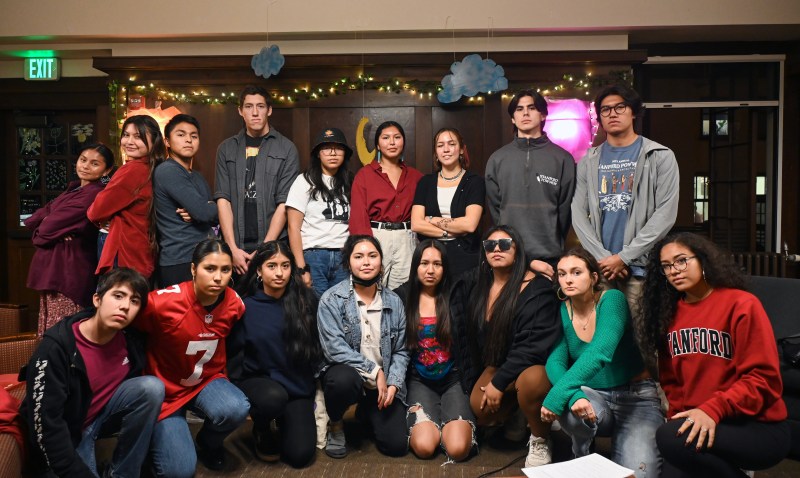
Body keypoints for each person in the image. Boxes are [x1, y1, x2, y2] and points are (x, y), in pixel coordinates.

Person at [640, 233, 789, 477]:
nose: (674, 270)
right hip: (700, 423)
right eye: (666, 266)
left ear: (703, 260)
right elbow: (673, 383)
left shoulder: (742, 304)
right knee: (671, 452)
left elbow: (763, 380)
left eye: (681, 260)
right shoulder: (667, 315)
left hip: (757, 426)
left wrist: (712, 409)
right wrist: (678, 417)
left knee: (668, 439)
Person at [19, 268, 164, 477]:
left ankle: (122, 473)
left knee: (151, 388)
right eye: (118, 296)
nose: (125, 306)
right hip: (67, 432)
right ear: (97, 300)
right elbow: (47, 429)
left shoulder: (130, 338)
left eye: (135, 301)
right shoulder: (56, 349)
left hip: (100, 416)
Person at [540, 248, 663, 477]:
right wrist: (573, 395)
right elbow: (555, 361)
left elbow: (601, 351)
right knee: (570, 406)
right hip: (594, 397)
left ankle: (629, 440)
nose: (568, 279)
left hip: (635, 398)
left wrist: (557, 395)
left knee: (639, 474)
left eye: (576, 272)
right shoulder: (561, 310)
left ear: (594, 277)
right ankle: (583, 456)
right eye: (562, 273)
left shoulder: (612, 300)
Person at [134, 239, 250, 476]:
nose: (218, 277)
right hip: (165, 391)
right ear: (193, 269)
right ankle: (157, 441)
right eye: (210, 268)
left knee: (236, 408)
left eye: (225, 270)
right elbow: (130, 331)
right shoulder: (161, 303)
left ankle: (209, 443)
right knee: (179, 472)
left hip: (204, 382)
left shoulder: (234, 303)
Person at [453, 225, 561, 468]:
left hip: (533, 365)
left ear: (517, 249)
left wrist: (499, 383)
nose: (496, 249)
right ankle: (519, 411)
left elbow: (532, 347)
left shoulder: (537, 289)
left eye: (504, 244)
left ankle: (540, 437)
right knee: (478, 407)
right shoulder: (479, 284)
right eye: (490, 245)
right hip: (501, 363)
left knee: (532, 383)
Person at [571, 84, 679, 319]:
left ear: (633, 112)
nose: (612, 113)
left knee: (643, 343)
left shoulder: (659, 156)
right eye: (605, 109)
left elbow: (665, 214)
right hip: (602, 271)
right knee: (606, 341)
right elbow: (578, 213)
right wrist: (604, 259)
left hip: (640, 270)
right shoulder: (588, 160)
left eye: (620, 107)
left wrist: (624, 257)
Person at [228, 241, 321, 468]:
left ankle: (284, 420)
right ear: (259, 270)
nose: (279, 273)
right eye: (272, 266)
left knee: (300, 456)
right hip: (261, 385)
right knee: (272, 398)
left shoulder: (305, 301)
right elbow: (234, 355)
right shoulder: (244, 306)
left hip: (296, 386)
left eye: (285, 266)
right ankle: (262, 426)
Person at [317, 235, 409, 458]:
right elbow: (334, 349)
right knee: (343, 381)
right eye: (358, 256)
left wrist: (394, 383)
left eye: (372, 256)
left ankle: (367, 411)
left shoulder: (394, 301)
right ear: (349, 263)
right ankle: (336, 424)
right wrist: (374, 370)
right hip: (349, 377)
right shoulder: (332, 299)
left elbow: (401, 351)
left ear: (380, 261)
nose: (366, 262)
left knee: (396, 446)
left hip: (382, 385)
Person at [395, 240, 475, 462]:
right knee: (424, 447)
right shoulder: (402, 296)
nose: (430, 270)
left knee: (458, 450)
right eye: (424, 263)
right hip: (419, 380)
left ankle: (448, 424)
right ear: (415, 266)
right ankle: (437, 426)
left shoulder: (457, 294)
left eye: (437, 264)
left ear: (445, 267)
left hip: (454, 378)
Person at [25, 143, 114, 336]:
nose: (85, 166)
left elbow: (47, 228)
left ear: (106, 170)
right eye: (83, 160)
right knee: (53, 333)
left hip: (69, 272)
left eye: (94, 163)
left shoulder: (93, 194)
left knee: (63, 334)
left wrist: (48, 224)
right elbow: (40, 216)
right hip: (57, 270)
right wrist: (49, 223)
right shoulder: (75, 189)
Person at [485, 90, 576, 278]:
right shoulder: (497, 159)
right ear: (512, 118)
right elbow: (496, 211)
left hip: (549, 258)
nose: (525, 113)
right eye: (519, 109)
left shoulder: (562, 159)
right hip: (509, 257)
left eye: (531, 108)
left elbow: (565, 210)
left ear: (543, 114)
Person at [214, 85, 300, 276]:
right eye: (248, 106)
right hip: (235, 247)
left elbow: (284, 204)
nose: (254, 113)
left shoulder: (286, 149)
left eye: (260, 106)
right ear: (240, 111)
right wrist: (232, 248)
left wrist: (264, 249)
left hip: (272, 247)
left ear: (269, 110)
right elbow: (223, 200)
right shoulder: (226, 149)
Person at [88, 114, 166, 279]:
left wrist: (107, 218)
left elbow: (95, 212)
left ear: (154, 140)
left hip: (125, 250)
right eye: (126, 135)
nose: (129, 141)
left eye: (138, 137)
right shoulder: (156, 168)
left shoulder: (133, 170)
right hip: (143, 249)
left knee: (116, 299)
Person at [349, 121, 423, 289]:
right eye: (386, 138)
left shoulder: (416, 177)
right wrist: (365, 248)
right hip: (376, 237)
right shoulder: (365, 175)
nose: (391, 142)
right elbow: (358, 216)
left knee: (404, 292)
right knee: (372, 290)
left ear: (403, 142)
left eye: (397, 137)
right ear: (377, 145)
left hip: (407, 238)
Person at [286, 127, 353, 296]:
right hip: (314, 256)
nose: (332, 153)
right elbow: (293, 227)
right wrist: (301, 268)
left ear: (344, 153)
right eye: (326, 148)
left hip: (343, 255)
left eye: (338, 148)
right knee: (315, 310)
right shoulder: (304, 181)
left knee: (340, 309)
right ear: (318, 153)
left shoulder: (351, 182)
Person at [411, 128, 485, 277]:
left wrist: (432, 219)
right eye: (440, 145)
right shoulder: (425, 182)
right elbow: (416, 224)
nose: (446, 150)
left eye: (451, 144)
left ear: (462, 150)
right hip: (432, 258)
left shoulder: (475, 182)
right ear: (436, 153)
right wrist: (451, 232)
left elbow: (469, 225)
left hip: (466, 257)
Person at [154, 114, 218, 287]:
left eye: (194, 136)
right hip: (180, 259)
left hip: (203, 255)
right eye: (181, 135)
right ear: (167, 142)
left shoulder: (196, 176)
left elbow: (209, 214)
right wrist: (206, 209)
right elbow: (204, 212)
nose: (188, 140)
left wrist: (205, 210)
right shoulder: (168, 171)